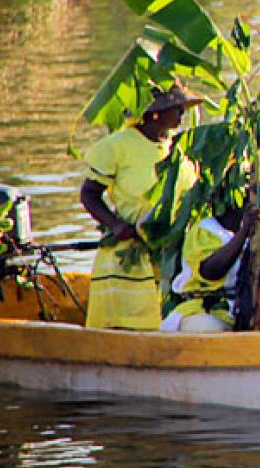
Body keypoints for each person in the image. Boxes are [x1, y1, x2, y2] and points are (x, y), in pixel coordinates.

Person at [79, 80, 203, 330]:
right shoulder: (118, 146)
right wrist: (115, 225)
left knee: (165, 319)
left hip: (168, 251)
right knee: (127, 323)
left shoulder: (176, 148)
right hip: (129, 251)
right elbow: (89, 194)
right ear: (154, 114)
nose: (182, 113)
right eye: (176, 108)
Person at [162, 189, 259, 333]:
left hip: (241, 313)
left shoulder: (259, 235)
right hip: (204, 311)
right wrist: (242, 233)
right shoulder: (205, 229)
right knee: (209, 329)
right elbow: (210, 271)